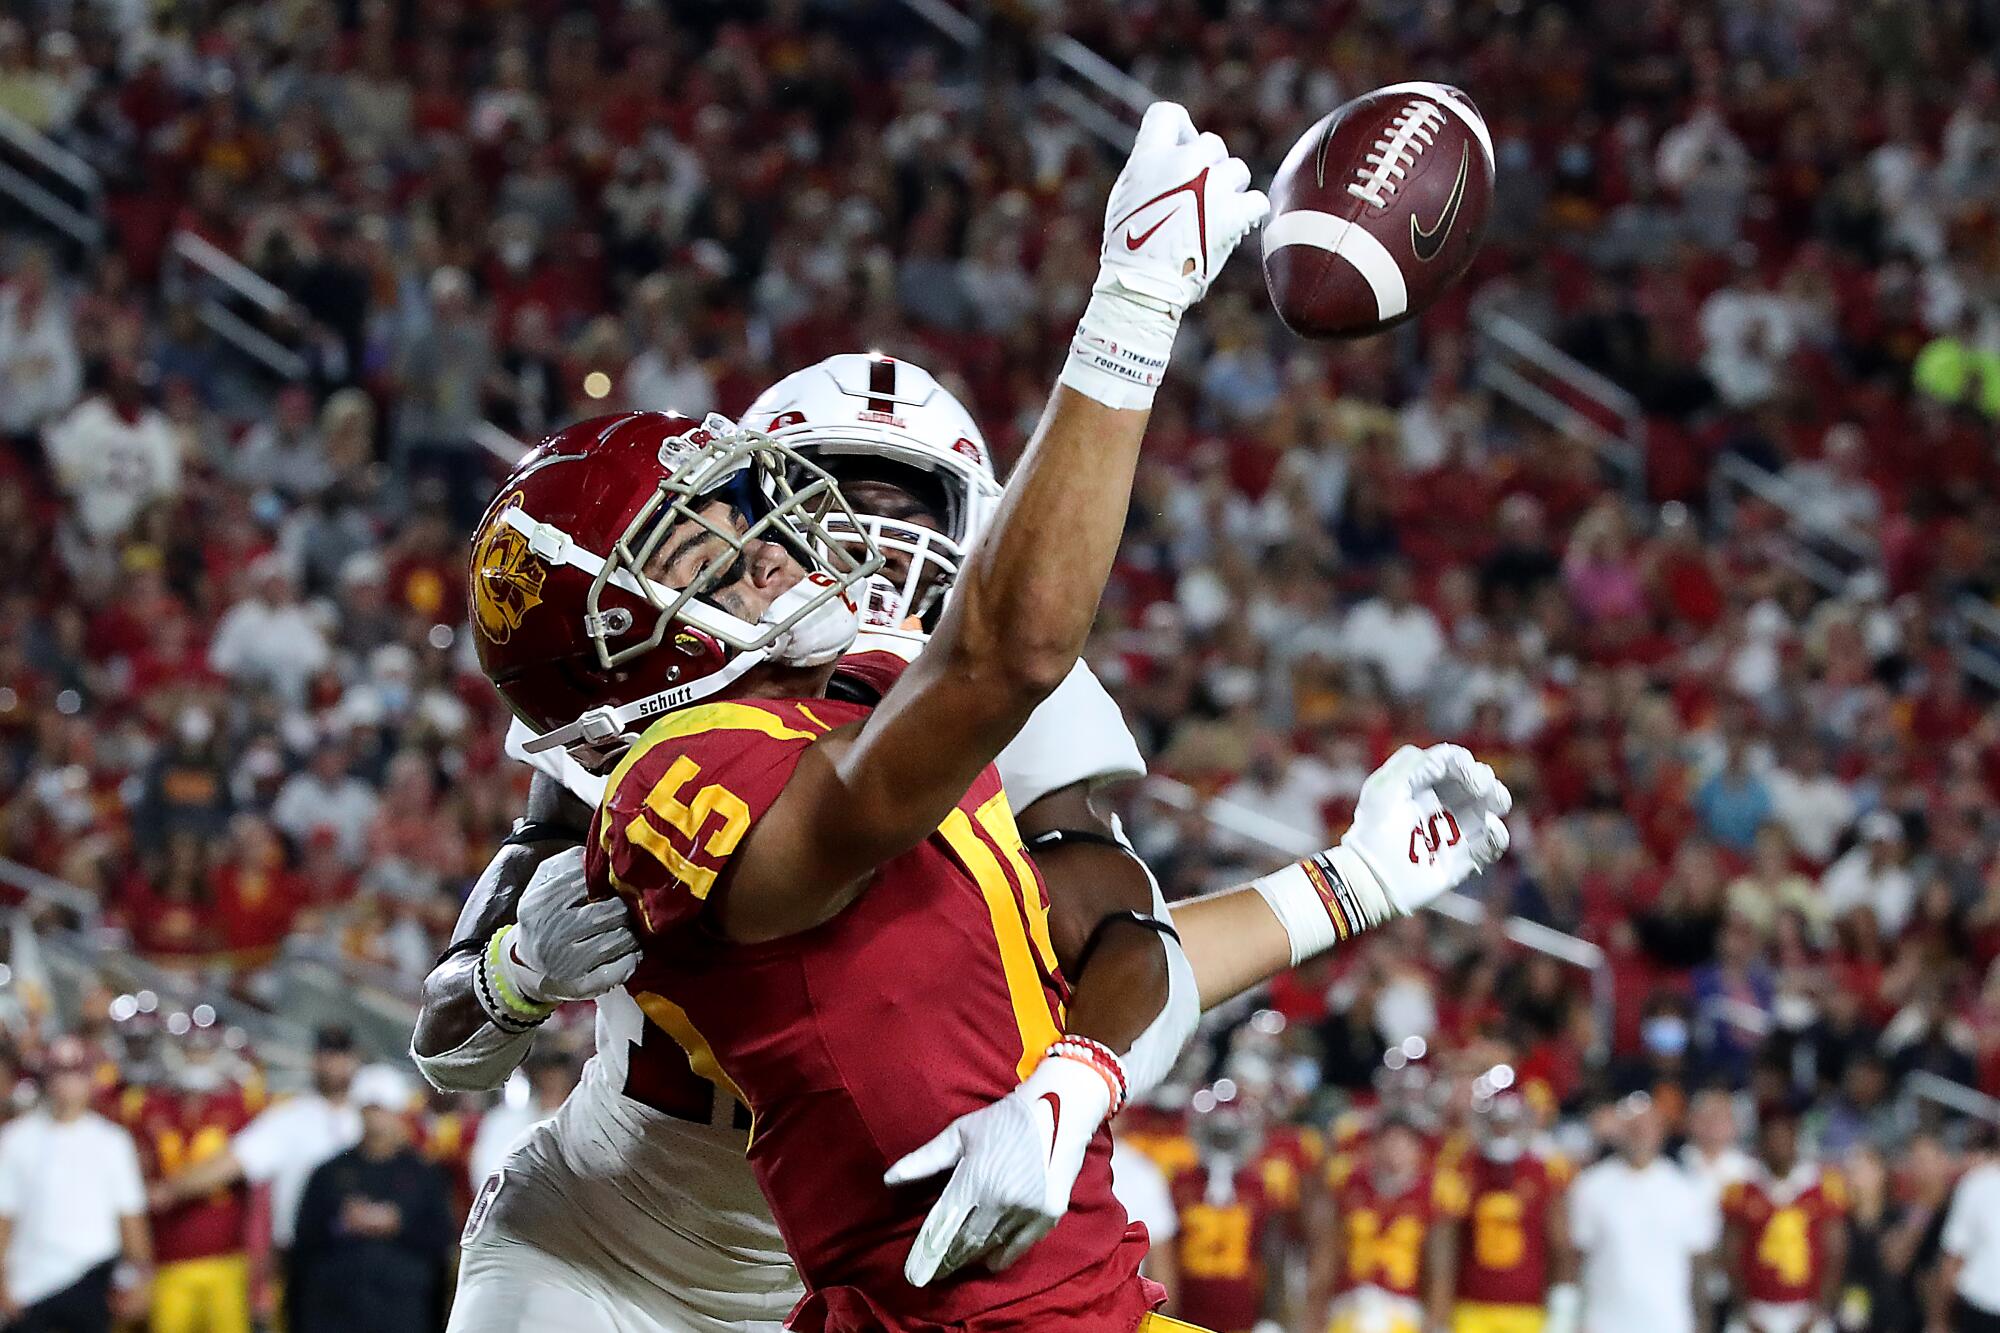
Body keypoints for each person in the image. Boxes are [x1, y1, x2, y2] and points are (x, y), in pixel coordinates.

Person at [415, 103, 1509, 1333]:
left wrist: (1093, 1068)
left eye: (908, 510)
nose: (858, 559)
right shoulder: (663, 734)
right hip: (619, 1233)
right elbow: (449, 1041)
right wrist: (510, 978)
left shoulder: (985, 694)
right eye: (824, 504)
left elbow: (1119, 950)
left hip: (860, 1255)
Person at [151, 1026, 362, 1290]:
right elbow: (232, 1162)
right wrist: (169, 1189)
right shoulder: (292, 1116)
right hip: (305, 1253)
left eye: (342, 1055)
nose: (336, 1065)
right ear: (315, 1060)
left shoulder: (372, 1113)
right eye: (329, 1055)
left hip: (369, 1255)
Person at [0, 1036, 153, 1331]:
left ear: (91, 1079)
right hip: (30, 1286)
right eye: (60, 1072)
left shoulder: (113, 1141)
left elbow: (130, 1216)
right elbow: (3, 1217)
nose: (67, 1083)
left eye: (76, 1073)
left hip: (92, 1278)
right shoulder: (15, 1138)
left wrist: (142, 1277)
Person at [289, 1065, 453, 1333]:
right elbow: (304, 1241)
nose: (377, 1118)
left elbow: (441, 1240)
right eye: (371, 1108)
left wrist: (398, 1224)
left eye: (384, 1108)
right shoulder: (329, 1172)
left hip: (403, 1312)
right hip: (334, 1312)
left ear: (399, 1112)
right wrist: (342, 1223)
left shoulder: (425, 1175)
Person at [1431, 1090, 1579, 1333]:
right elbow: (1446, 1245)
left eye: (1510, 1123)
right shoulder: (1463, 1168)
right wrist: (1440, 1312)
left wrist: (1563, 1310)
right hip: (1470, 1308)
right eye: (1497, 1123)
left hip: (1527, 1310)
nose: (1503, 1130)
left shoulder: (1546, 1171)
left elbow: (1561, 1247)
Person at [1569, 1094, 1718, 1333]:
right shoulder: (1591, 1186)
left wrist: (1703, 1321)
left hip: (1668, 1322)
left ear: (1661, 1131)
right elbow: (1576, 1258)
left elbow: (1698, 1265)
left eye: (1648, 1126)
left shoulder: (1686, 1188)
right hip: (1604, 1322)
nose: (1640, 1133)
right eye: (1633, 1126)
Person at [1308, 1109, 1447, 1333]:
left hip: (1402, 1305)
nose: (1395, 1151)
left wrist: (1435, 1319)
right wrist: (1315, 1312)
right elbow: (1327, 1253)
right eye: (1389, 1142)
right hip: (1350, 1301)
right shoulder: (1349, 1183)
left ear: (1417, 1149)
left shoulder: (1432, 1192)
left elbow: (1439, 1265)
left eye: (1403, 1143)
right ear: (1375, 1146)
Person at [1719, 1103, 1847, 1333]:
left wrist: (1817, 1312)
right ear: (1761, 1143)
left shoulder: (1822, 1188)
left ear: (1796, 1140)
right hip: (1756, 1309)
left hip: (1807, 1308)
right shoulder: (1741, 1191)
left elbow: (1835, 1252)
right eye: (1772, 1137)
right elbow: (1730, 1253)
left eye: (1784, 1137)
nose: (1778, 1144)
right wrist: (1745, 1310)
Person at [1166, 1087, 1283, 1333]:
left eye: (1229, 1136)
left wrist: (1272, 1314)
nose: (1223, 1144)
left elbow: (1271, 1252)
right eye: (1217, 1136)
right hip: (1186, 1309)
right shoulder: (1181, 1183)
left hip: (1241, 1311)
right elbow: (1166, 1250)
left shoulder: (1258, 1187)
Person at [466, 1050, 579, 1191]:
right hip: (513, 1200)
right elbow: (486, 1170)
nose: (552, 1082)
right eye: (545, 1076)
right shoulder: (503, 1120)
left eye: (557, 1076)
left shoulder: (578, 1119)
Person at [1938, 1128, 2000, 1333]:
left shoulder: (1976, 1183)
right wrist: (1939, 1321)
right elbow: (1953, 1258)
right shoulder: (1977, 1184)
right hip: (1979, 1309)